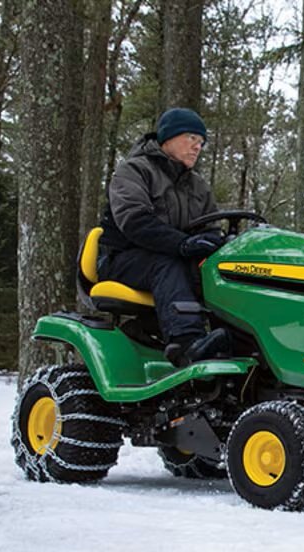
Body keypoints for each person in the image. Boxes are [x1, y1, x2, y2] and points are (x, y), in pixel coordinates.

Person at [97, 107, 231, 367]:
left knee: (221, 270)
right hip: (123, 259)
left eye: (201, 142)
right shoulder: (134, 171)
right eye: (191, 138)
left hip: (174, 259)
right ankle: (186, 342)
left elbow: (210, 229)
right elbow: (135, 222)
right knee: (167, 264)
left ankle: (238, 341)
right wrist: (183, 244)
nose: (198, 146)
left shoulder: (198, 186)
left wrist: (214, 243)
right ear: (168, 137)